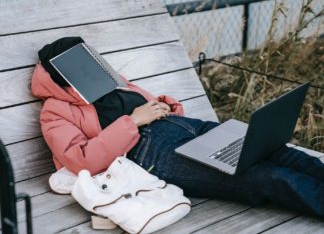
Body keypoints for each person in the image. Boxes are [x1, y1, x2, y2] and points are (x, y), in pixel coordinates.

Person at [32, 37, 324, 218]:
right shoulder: (55, 110)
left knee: (275, 150)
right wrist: (133, 121)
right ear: (60, 75)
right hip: (150, 153)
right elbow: (81, 161)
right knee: (263, 176)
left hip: (185, 127)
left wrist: (164, 105)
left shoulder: (113, 81)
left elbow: (148, 106)